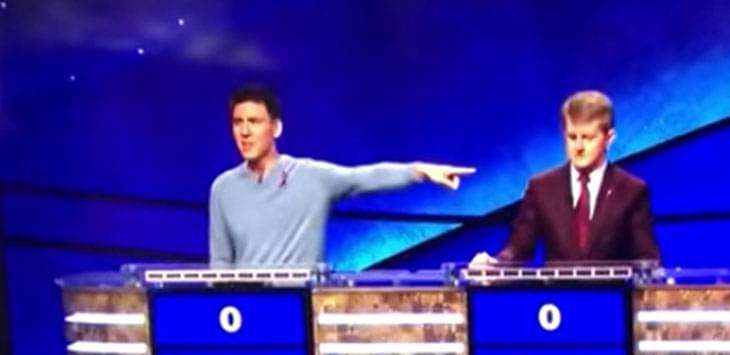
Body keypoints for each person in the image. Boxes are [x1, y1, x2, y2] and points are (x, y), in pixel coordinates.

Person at [209, 84, 474, 266]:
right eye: (237, 122)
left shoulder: (312, 177)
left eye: (254, 122)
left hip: (300, 308)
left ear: (276, 128)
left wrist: (420, 171)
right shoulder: (223, 188)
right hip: (246, 313)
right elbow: (220, 264)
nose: (244, 132)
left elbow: (364, 177)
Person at [470, 90, 660, 266]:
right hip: (557, 292)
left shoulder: (631, 191)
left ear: (608, 138)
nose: (579, 147)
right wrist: (495, 265)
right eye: (572, 137)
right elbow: (517, 249)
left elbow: (647, 258)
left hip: (612, 291)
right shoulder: (542, 188)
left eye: (587, 138)